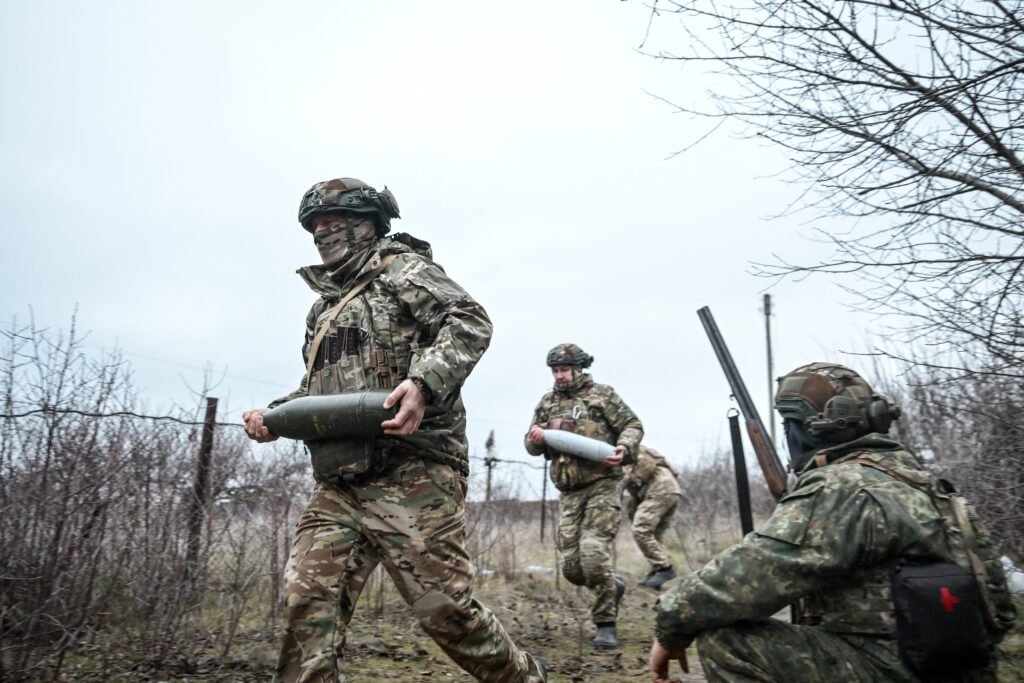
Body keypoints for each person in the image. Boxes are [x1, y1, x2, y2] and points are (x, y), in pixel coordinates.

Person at [243, 177, 546, 683]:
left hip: (413, 472)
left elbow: (469, 320)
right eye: (315, 225)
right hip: (340, 482)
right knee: (306, 600)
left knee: (446, 612)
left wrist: (423, 384)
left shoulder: (403, 270)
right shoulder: (322, 310)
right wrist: (276, 415)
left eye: (332, 222)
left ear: (367, 223)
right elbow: (322, 391)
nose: (321, 233)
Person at [649, 362, 1017, 683]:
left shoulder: (843, 486)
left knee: (729, 642)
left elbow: (745, 577)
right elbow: (1000, 612)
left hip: (900, 669)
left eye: (788, 424)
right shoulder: (925, 484)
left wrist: (670, 624)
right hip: (960, 669)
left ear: (810, 429)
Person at [524, 344, 644, 649]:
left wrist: (624, 448)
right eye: (555, 371)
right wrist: (535, 439)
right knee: (572, 568)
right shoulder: (548, 403)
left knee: (592, 553)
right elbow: (531, 444)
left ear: (579, 369)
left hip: (603, 485)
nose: (559, 376)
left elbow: (632, 425)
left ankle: (605, 624)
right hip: (569, 493)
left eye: (564, 370)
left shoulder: (602, 396)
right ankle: (611, 586)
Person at [624, 445, 682, 589]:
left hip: (659, 490)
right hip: (671, 489)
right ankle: (656, 576)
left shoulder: (621, 453)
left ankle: (664, 569)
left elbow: (625, 479)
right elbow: (675, 470)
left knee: (641, 529)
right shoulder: (640, 449)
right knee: (655, 535)